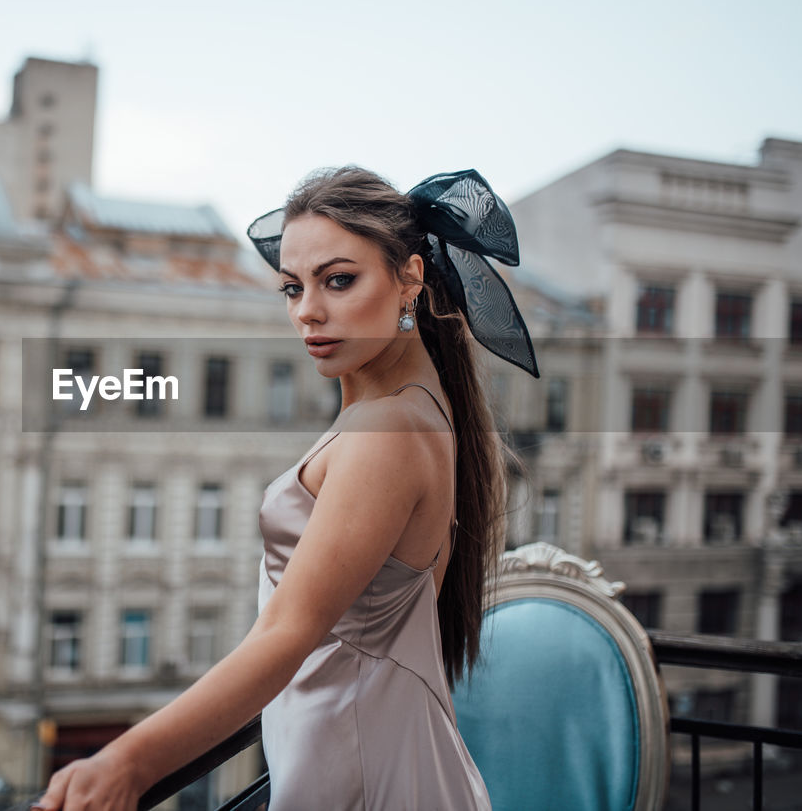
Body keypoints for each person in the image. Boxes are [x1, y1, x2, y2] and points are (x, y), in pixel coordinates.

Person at [33, 167, 539, 811]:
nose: (307, 311)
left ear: (410, 276)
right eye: (292, 287)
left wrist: (128, 765)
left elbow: (287, 632)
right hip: (362, 754)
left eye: (339, 280)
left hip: (364, 772)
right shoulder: (397, 405)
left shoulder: (388, 426)